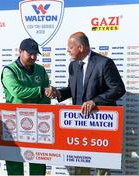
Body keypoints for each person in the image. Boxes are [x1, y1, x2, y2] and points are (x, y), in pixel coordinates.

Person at [46, 32, 126, 175]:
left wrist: (95, 101)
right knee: (80, 165)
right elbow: (73, 90)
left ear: (80, 47)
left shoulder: (104, 63)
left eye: (70, 47)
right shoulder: (73, 66)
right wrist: (58, 93)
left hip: (100, 124)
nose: (68, 50)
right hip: (80, 124)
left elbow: (118, 89)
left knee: (102, 167)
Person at [1, 38, 51, 175]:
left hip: (37, 121)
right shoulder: (9, 70)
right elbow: (17, 92)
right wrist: (40, 91)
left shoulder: (40, 70)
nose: (34, 57)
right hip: (14, 123)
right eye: (30, 54)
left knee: (38, 160)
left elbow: (47, 95)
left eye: (36, 54)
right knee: (15, 162)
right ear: (20, 51)